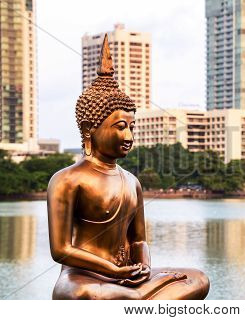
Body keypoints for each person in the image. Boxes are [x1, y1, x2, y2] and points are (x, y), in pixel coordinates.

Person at [47, 35, 209, 300]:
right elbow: (62, 250)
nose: (129, 137)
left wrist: (143, 266)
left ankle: (140, 295)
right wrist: (111, 269)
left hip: (126, 275)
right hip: (82, 278)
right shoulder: (67, 180)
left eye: (132, 127)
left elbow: (138, 240)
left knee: (199, 279)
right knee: (88, 296)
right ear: (90, 129)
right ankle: (142, 296)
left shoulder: (131, 181)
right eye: (120, 127)